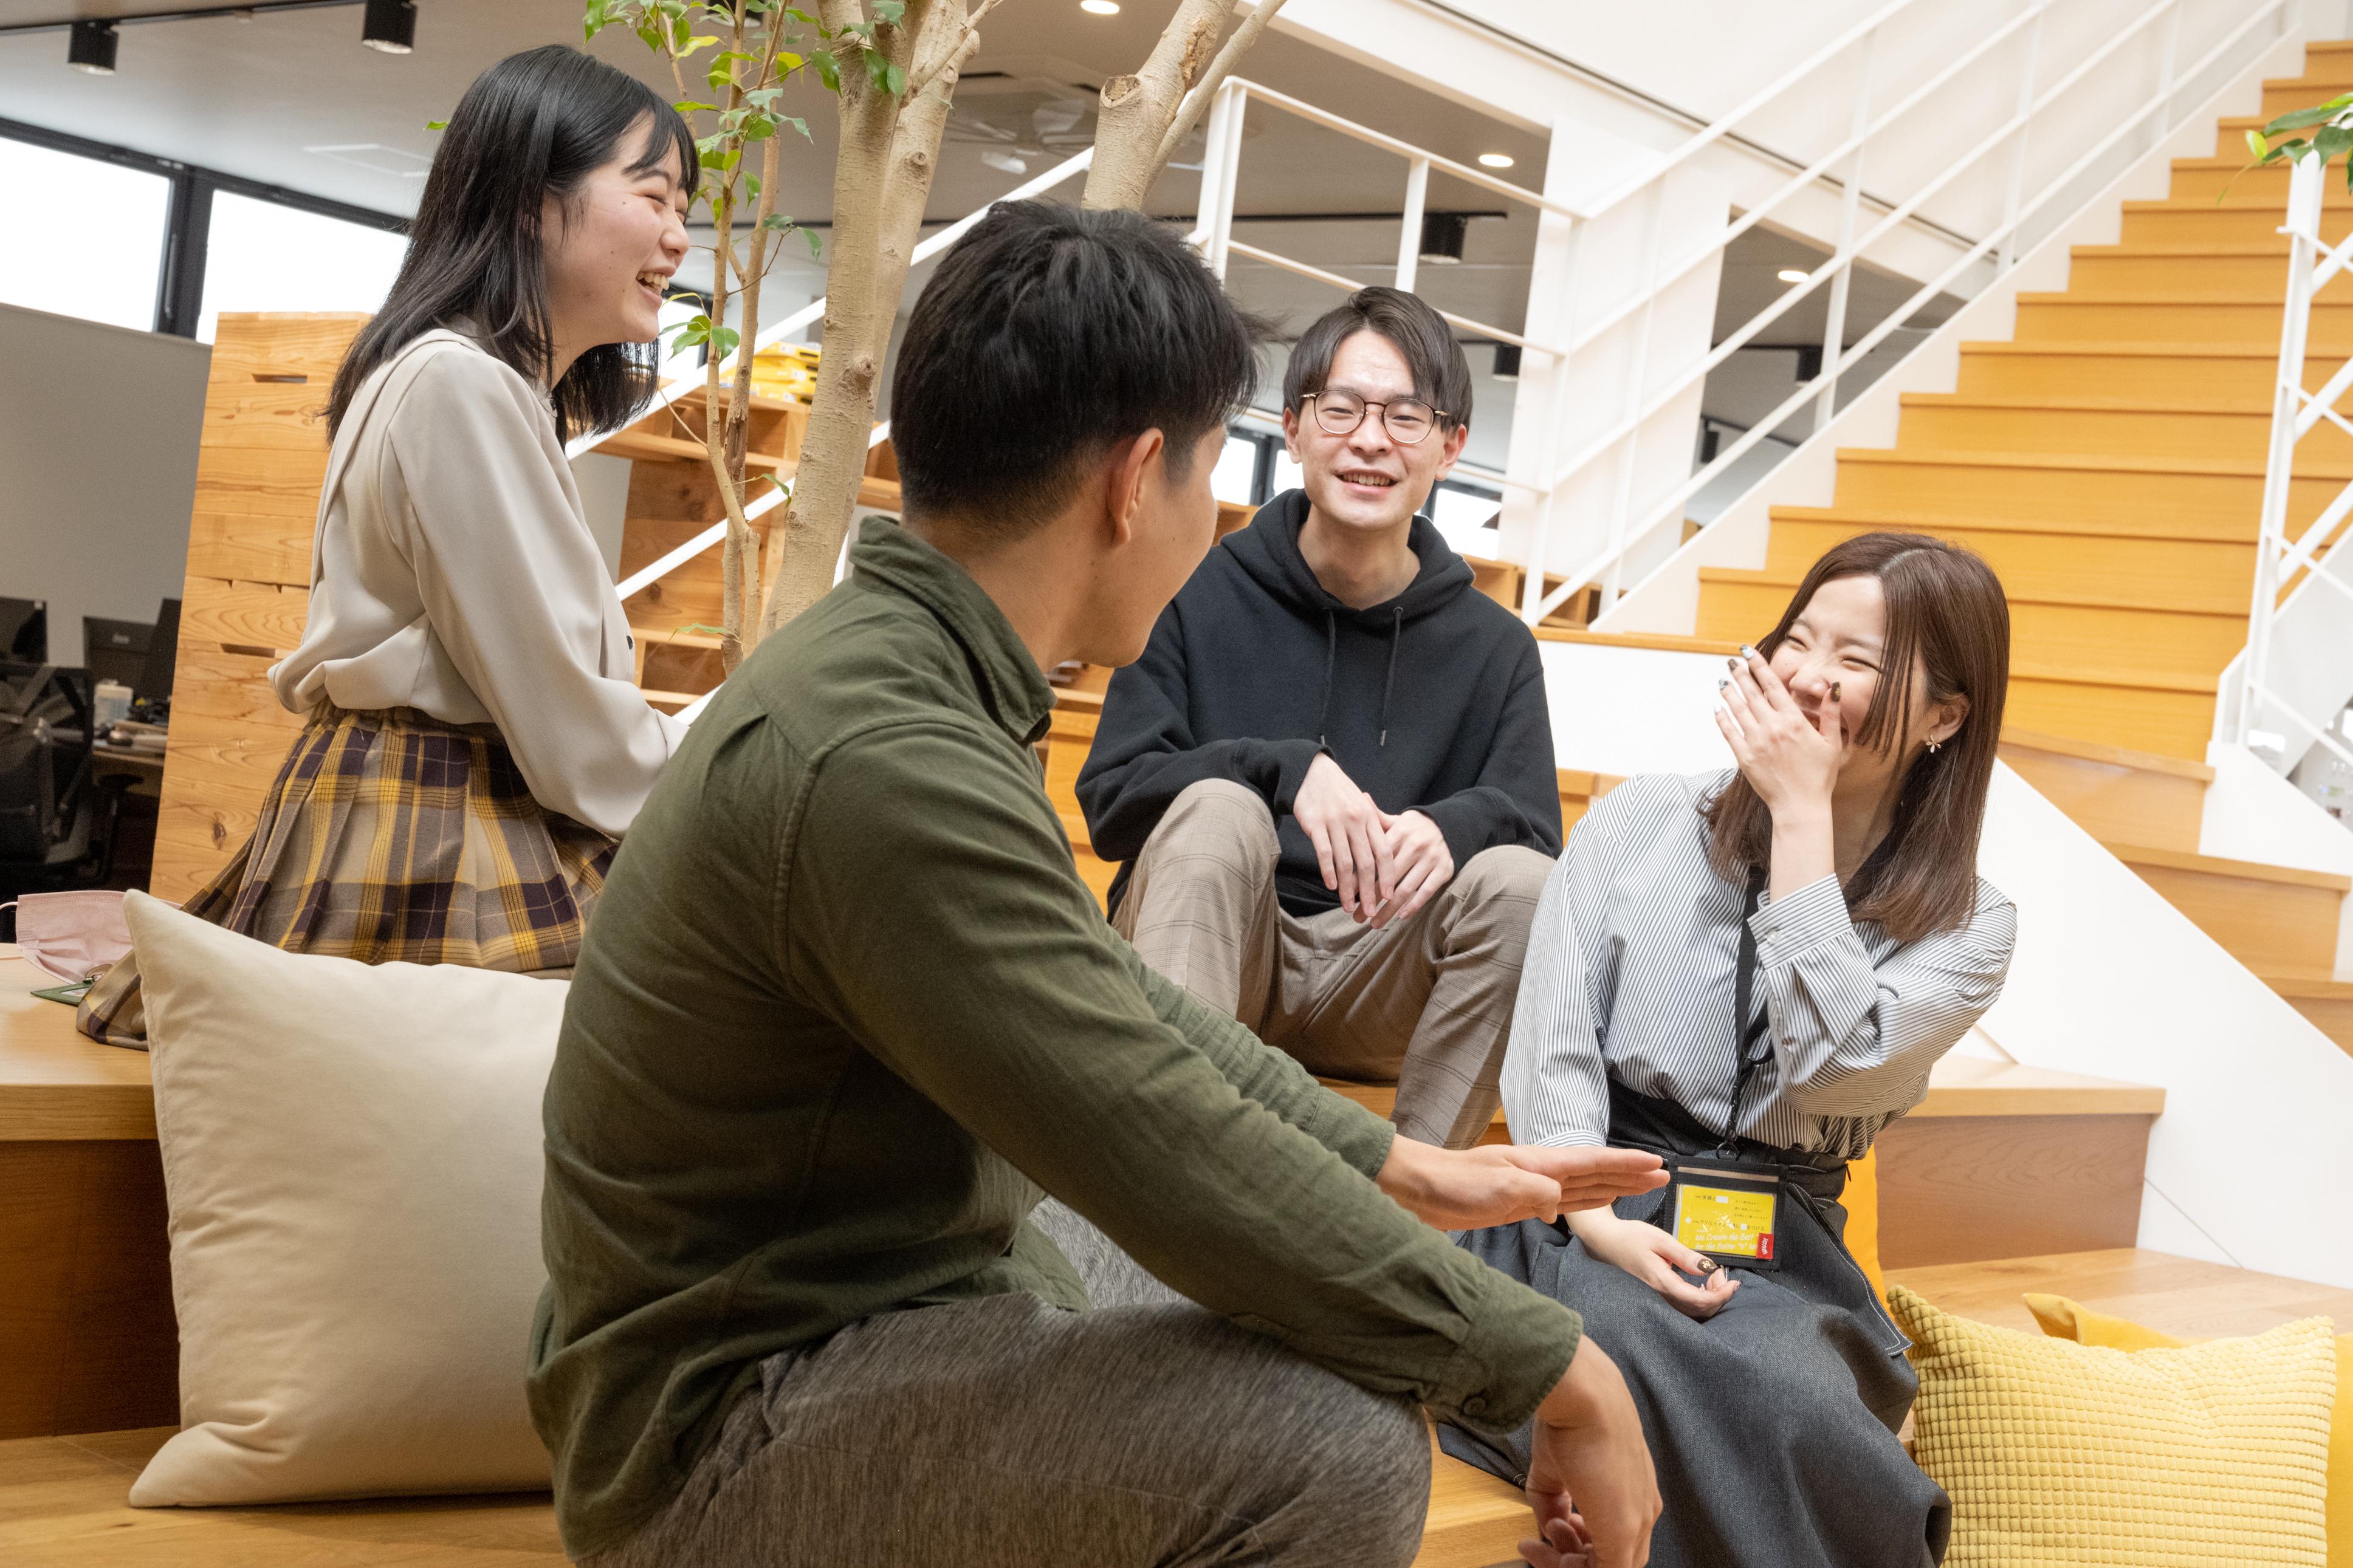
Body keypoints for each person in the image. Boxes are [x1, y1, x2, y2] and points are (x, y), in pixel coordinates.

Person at [530, 202, 1668, 1568]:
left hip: (903, 1297)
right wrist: (1558, 1369)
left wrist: (1402, 1163)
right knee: (1340, 1444)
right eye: (1209, 471)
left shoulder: (910, 677)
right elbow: (1152, 1127)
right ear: (1136, 481)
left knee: (1307, 1317)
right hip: (729, 1432)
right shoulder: (885, 755)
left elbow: (1127, 1012)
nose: (1213, 516)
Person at [79, 45, 689, 1042]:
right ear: (532, 202)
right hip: (440, 821)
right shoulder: (460, 383)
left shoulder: (469, 381)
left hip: (409, 805)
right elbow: (569, 731)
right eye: (654, 196)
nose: (676, 238)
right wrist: (719, 756)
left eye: (683, 210)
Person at [1441, 532, 2018, 1567]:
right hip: (1589, 1205)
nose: (1809, 675)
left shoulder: (1972, 927)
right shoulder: (1641, 818)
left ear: (1944, 717)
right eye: (1799, 639)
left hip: (1785, 1252)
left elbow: (1828, 1068)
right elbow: (1554, 1051)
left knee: (1793, 1394)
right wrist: (1597, 1218)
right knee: (1610, 1324)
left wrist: (1801, 819)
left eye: (1858, 659)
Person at [1077, 287, 1558, 1151]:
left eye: (1406, 416)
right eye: (1342, 409)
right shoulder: (1190, 589)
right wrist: (1282, 770)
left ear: (1450, 447)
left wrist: (1451, 827)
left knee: (1525, 885)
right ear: (1294, 429)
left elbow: (1535, 832)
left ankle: (1417, 1202)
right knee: (1219, 810)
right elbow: (1112, 801)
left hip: (1378, 970)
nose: (1371, 440)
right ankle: (1172, 1176)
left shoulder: (1498, 647)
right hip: (1209, 940)